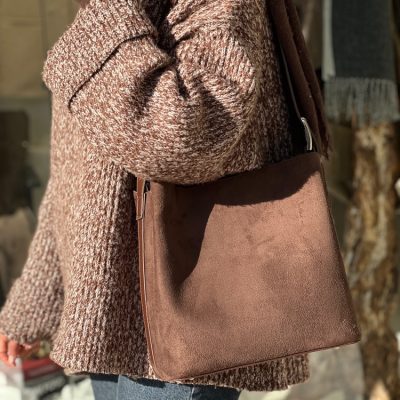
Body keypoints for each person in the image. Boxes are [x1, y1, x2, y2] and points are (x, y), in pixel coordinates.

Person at [0, 0, 331, 399]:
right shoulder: (119, 11)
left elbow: (188, 138)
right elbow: (78, 172)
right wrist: (36, 297)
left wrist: (110, 17)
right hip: (112, 313)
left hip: (187, 322)